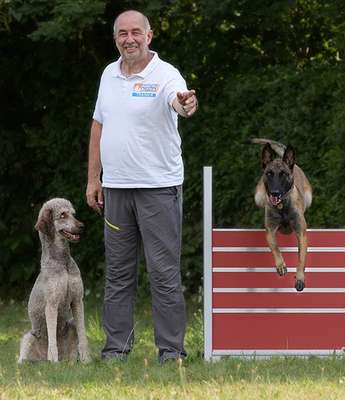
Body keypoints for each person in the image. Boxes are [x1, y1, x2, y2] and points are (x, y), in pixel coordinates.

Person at [86, 9, 198, 363]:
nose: (129, 39)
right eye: (123, 33)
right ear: (116, 38)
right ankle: (116, 350)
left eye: (136, 32)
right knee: (118, 275)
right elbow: (98, 126)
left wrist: (186, 104)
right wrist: (93, 178)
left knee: (163, 274)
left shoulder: (166, 75)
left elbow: (181, 102)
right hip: (116, 189)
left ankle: (171, 352)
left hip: (158, 190)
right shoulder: (108, 74)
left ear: (149, 36)